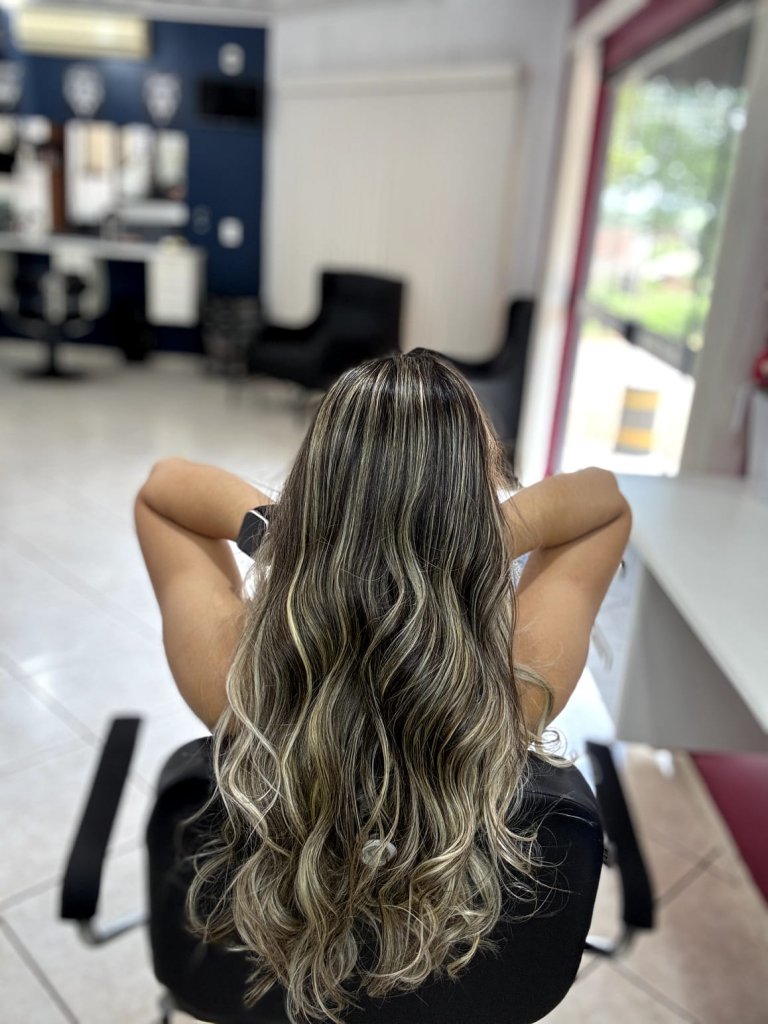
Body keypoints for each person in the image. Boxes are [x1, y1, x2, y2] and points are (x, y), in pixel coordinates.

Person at [135, 349, 631, 1024]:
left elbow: (164, 488)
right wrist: (465, 545)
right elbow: (603, 499)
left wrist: (302, 539)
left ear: (311, 484)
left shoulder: (238, 683)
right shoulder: (515, 686)